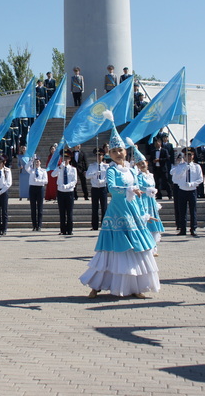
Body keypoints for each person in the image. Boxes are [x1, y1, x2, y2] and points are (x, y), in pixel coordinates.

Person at [80, 112, 159, 299]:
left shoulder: (132, 170)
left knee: (136, 249)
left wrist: (145, 214)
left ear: (125, 151)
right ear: (109, 154)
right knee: (111, 251)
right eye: (114, 151)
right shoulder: (111, 170)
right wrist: (130, 189)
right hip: (117, 212)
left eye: (120, 150)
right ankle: (96, 285)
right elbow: (113, 189)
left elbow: (138, 192)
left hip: (133, 213)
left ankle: (135, 286)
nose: (117, 154)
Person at [130, 140, 164, 255]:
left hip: (151, 201)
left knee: (154, 223)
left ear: (147, 163)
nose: (142, 165)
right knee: (146, 222)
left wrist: (154, 193)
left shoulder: (151, 175)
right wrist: (146, 191)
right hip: (144, 201)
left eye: (143, 163)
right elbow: (140, 187)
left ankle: (154, 247)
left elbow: (153, 186)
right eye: (139, 164)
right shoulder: (139, 176)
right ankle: (147, 246)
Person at [171, 147, 203, 237]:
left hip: (192, 190)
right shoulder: (180, 166)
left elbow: (200, 179)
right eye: (186, 155)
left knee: (193, 211)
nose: (188, 157)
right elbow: (175, 178)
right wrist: (183, 169)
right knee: (182, 211)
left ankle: (193, 228)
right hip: (182, 190)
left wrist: (192, 184)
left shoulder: (197, 166)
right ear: (184, 156)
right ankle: (182, 229)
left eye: (190, 155)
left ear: (193, 156)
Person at [53, 152, 78, 235]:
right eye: (64, 158)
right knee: (62, 212)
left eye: (67, 158)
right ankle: (63, 230)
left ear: (70, 159)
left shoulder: (73, 169)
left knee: (69, 212)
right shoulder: (60, 168)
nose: (66, 160)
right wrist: (60, 167)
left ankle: (70, 230)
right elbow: (53, 175)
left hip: (69, 192)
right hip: (60, 192)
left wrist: (67, 186)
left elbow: (74, 181)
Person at [86, 148, 109, 231]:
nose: (99, 157)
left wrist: (103, 181)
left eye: (100, 155)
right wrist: (95, 173)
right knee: (94, 207)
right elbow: (87, 176)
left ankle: (104, 225)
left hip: (103, 188)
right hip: (95, 188)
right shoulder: (92, 166)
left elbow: (108, 177)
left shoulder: (106, 166)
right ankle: (94, 225)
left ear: (103, 156)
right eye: (97, 155)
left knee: (104, 207)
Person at [25, 156, 47, 231]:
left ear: (40, 162)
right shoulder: (32, 170)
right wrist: (31, 160)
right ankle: (34, 225)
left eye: (38, 161)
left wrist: (38, 181)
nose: (37, 163)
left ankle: (39, 225)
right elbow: (26, 167)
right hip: (32, 188)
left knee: (40, 208)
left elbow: (46, 181)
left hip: (40, 188)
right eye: (36, 161)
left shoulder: (43, 171)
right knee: (33, 208)